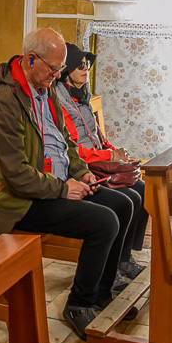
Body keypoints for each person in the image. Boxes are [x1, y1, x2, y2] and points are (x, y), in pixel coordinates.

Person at [0, 29, 129, 340]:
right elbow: (16, 174)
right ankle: (79, 304)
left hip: (53, 186)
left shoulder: (45, 91)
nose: (57, 75)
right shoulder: (7, 102)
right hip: (19, 201)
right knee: (104, 222)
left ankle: (102, 291)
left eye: (61, 69)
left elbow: (66, 143)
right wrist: (64, 189)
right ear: (31, 59)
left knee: (122, 204)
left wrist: (81, 171)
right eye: (53, 68)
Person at [52, 43, 146, 282]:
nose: (86, 69)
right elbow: (75, 149)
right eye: (80, 65)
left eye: (87, 64)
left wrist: (116, 153)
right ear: (66, 71)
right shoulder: (60, 101)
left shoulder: (83, 96)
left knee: (141, 187)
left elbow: (98, 137)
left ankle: (124, 257)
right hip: (85, 167)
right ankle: (114, 266)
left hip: (98, 161)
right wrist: (109, 157)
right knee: (130, 197)